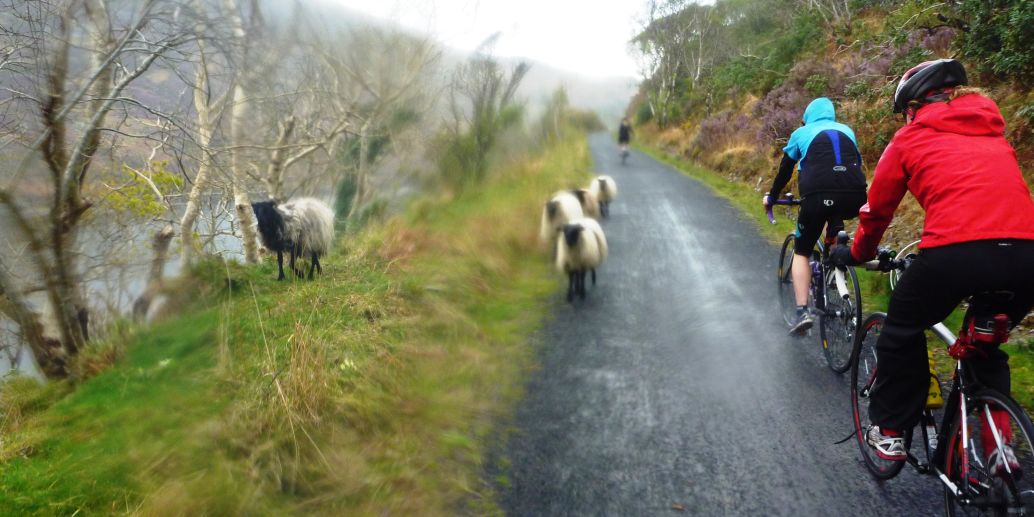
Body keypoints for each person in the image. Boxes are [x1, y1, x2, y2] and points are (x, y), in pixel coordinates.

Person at [830, 59, 1034, 470]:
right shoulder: (993, 131)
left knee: (900, 330)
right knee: (984, 347)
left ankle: (889, 432)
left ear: (912, 107)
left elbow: (876, 215)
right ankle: (1001, 449)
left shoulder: (909, 138)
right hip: (1026, 256)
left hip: (955, 252)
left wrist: (856, 254)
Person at [763, 97, 868, 335]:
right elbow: (853, 165)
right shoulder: (847, 130)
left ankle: (802, 312)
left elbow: (785, 170)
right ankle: (834, 258)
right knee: (835, 211)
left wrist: (772, 196)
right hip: (856, 196)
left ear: (808, 116)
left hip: (818, 196)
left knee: (802, 250)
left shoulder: (801, 132)